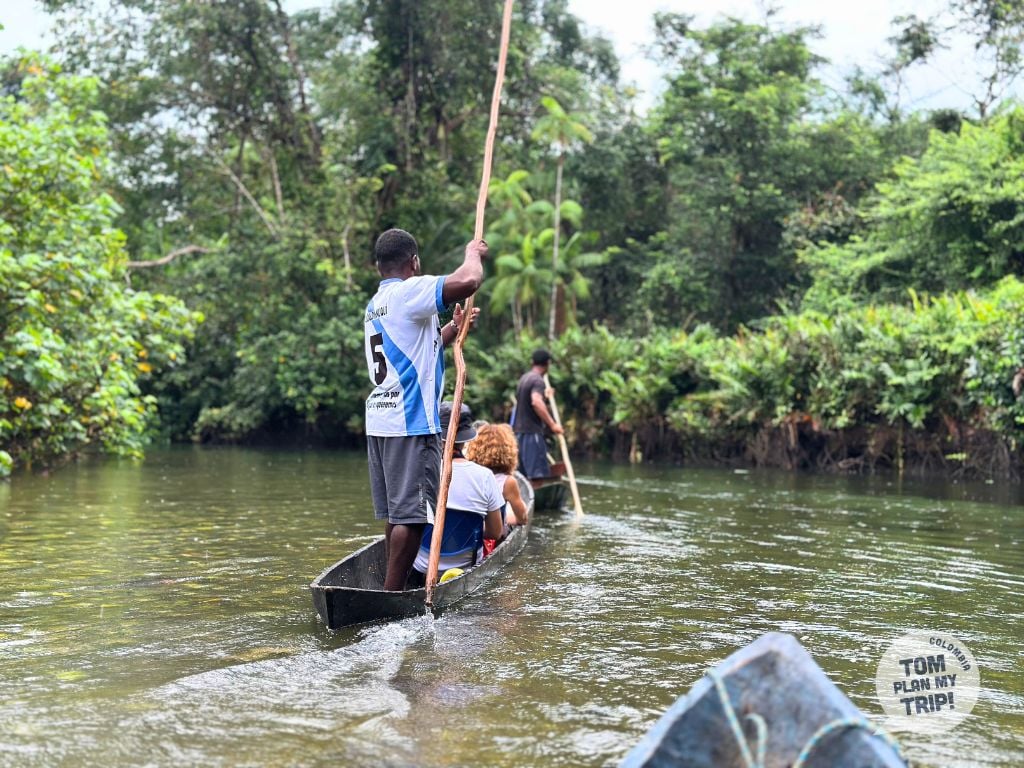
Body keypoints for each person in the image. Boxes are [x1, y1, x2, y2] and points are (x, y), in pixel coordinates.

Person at [364, 228, 486, 591]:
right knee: (414, 517)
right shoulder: (408, 291)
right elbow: (468, 280)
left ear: (379, 267)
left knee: (397, 513)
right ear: (414, 262)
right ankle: (392, 596)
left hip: (382, 419)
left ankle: (391, 587)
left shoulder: (377, 304)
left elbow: (419, 348)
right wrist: (473, 252)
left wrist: (452, 329)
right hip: (410, 420)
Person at [410, 402, 504, 585]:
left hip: (421, 565)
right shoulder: (485, 476)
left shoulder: (418, 470)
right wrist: (471, 531)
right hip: (464, 565)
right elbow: (495, 532)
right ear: (466, 440)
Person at [465, 422, 530, 527]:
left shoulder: (468, 475)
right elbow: (523, 519)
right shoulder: (508, 482)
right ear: (508, 451)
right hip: (492, 534)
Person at [512, 348, 563, 481]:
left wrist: (545, 396)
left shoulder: (524, 378)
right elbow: (536, 402)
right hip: (532, 433)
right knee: (536, 476)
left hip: (519, 434)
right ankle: (537, 494)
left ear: (532, 362)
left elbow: (528, 401)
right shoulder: (538, 381)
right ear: (548, 363)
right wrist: (553, 425)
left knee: (522, 477)